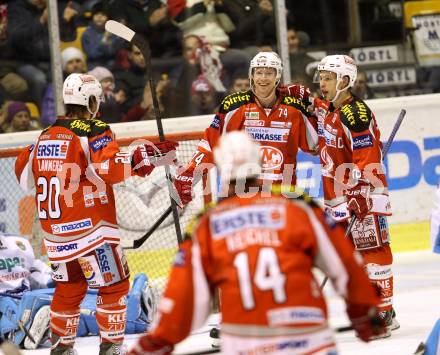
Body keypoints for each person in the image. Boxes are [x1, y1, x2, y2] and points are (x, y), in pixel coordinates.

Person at [128, 131, 387, 355]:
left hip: (246, 343)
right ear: (260, 163)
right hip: (309, 339)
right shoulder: (298, 207)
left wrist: (158, 341)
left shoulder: (206, 225)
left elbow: (186, 298)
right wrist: (364, 308)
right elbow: (344, 263)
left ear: (221, 167)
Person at [14, 73, 178, 355]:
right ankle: (112, 346)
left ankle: (62, 347)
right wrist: (145, 158)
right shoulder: (93, 129)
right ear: (89, 101)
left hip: (56, 236)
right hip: (92, 232)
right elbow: (112, 170)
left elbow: (22, 177)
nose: (98, 106)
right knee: (115, 285)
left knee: (69, 288)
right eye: (96, 100)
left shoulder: (43, 136)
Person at [287, 54, 398, 338]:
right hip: (338, 196)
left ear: (345, 81)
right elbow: (314, 118)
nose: (322, 84)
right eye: (321, 78)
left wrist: (361, 192)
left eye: (328, 78)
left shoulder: (354, 114)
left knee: (373, 250)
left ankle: (383, 312)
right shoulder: (329, 109)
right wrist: (297, 96)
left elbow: (367, 156)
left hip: (363, 195)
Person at [173, 51, 318, 206]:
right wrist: (190, 174)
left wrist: (316, 106)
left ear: (278, 76)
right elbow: (210, 143)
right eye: (259, 72)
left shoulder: (294, 108)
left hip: (282, 195)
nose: (263, 78)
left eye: (269, 73)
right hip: (240, 194)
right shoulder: (234, 106)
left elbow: (316, 145)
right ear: (251, 76)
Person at [0, 233, 157, 350]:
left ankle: (134, 303)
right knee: (78, 314)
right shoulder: (17, 243)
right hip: (10, 305)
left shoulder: (18, 243)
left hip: (31, 299)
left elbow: (40, 273)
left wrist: (59, 279)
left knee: (72, 296)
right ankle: (137, 315)